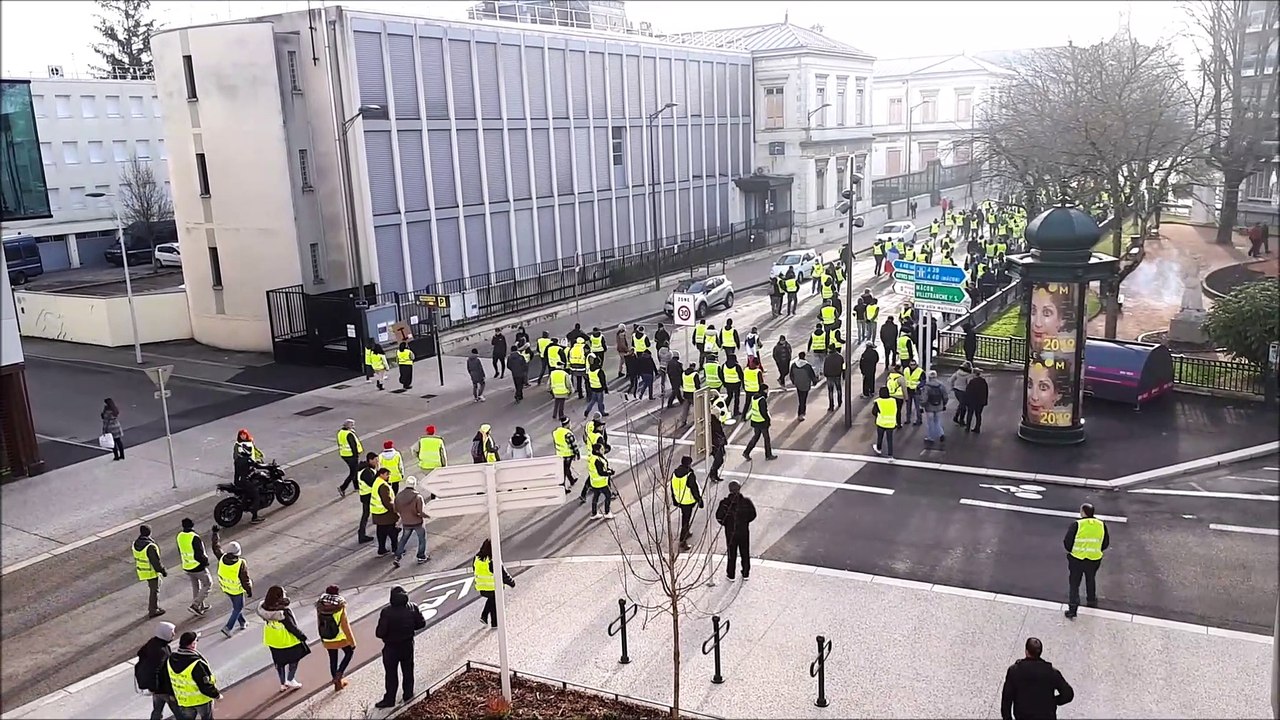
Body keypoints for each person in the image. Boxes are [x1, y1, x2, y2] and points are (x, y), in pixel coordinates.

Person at [374, 585, 427, 709]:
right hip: (407, 643)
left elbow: (380, 632)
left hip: (391, 647)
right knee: (408, 670)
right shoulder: (413, 607)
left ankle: (390, 699)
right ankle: (408, 695)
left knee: (391, 674)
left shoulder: (387, 612)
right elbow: (421, 623)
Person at [1000, 637, 1074, 720]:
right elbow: (1068, 694)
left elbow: (1006, 700)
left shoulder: (1014, 671)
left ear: (1026, 651)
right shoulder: (1051, 672)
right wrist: (1053, 701)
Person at [258, 585, 310, 691]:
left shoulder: (264, 608)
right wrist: (302, 636)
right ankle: (290, 679)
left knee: (279, 663)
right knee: (294, 660)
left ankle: (283, 683)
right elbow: (291, 627)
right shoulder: (283, 611)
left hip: (272, 639)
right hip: (286, 641)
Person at [1063, 503, 1109, 619]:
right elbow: (1105, 542)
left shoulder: (1077, 524)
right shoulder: (1101, 524)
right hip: (1094, 559)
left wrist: (1072, 551)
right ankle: (1091, 600)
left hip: (1077, 559)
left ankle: (1073, 609)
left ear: (1083, 512)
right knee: (1091, 579)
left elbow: (1068, 542)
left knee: (1074, 584)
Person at [167, 631, 219, 720]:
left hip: (184, 700)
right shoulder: (196, 663)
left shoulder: (171, 659)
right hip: (201, 700)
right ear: (192, 645)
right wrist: (216, 694)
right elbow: (204, 684)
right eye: (196, 641)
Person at [136, 621, 179, 720]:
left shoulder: (153, 643)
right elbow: (155, 670)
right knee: (178, 711)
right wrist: (156, 688)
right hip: (164, 688)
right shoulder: (161, 651)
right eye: (172, 632)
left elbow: (141, 654)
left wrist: (154, 689)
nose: (174, 634)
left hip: (157, 690)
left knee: (157, 710)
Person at [317, 585, 357, 691]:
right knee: (349, 653)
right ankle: (339, 673)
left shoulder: (320, 607)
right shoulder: (340, 607)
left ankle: (337, 683)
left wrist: (322, 637)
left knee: (332, 659)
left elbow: (319, 624)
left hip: (327, 638)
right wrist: (352, 641)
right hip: (340, 637)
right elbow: (345, 626)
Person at [716, 481, 757, 581]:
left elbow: (719, 517)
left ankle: (731, 574)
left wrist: (726, 524)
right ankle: (745, 573)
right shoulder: (746, 502)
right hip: (743, 531)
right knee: (745, 552)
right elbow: (753, 514)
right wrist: (745, 522)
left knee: (731, 553)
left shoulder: (725, 503)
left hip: (730, 532)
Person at [214, 537, 253, 637]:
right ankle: (228, 627)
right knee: (238, 608)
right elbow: (245, 580)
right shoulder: (241, 563)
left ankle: (242, 622)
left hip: (226, 588)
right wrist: (249, 591)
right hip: (236, 590)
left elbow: (216, 548)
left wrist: (215, 535)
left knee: (236, 607)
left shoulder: (222, 557)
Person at [473, 539, 517, 629]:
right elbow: (502, 574)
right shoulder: (492, 561)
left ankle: (484, 616)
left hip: (481, 586)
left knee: (491, 600)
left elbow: (475, 570)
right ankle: (494, 624)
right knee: (494, 603)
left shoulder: (476, 558)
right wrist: (511, 582)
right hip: (493, 587)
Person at [176, 518, 212, 617]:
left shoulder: (180, 536)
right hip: (197, 566)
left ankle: (200, 606)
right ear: (192, 525)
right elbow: (199, 554)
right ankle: (195, 605)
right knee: (208, 584)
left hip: (187, 565)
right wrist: (206, 562)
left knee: (196, 586)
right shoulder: (194, 537)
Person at [394, 476, 433, 566]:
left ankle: (397, 556)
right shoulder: (417, 497)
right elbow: (421, 512)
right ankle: (421, 556)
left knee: (404, 539)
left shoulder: (399, 496)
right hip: (417, 522)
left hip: (406, 522)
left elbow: (396, 509)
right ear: (414, 484)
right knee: (422, 539)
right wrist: (428, 516)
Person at [670, 455, 704, 551]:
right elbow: (694, 490)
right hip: (688, 501)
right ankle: (683, 541)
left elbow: (672, 488)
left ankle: (687, 532)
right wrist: (699, 500)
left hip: (679, 500)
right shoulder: (689, 475)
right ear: (689, 464)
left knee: (685, 518)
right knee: (685, 520)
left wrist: (674, 500)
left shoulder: (674, 473)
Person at [133, 525, 168, 618]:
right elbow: (155, 562)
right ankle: (153, 610)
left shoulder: (136, 543)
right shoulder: (150, 546)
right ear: (149, 533)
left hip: (142, 570)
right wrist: (163, 571)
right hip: (150, 572)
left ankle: (153, 608)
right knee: (154, 590)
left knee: (153, 590)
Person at [742, 386, 777, 461]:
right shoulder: (762, 400)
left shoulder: (754, 397)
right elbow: (763, 412)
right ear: (764, 390)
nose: (767, 391)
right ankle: (768, 455)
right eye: (767, 390)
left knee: (755, 437)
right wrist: (767, 420)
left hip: (755, 421)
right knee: (766, 439)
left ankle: (746, 452)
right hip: (762, 422)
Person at [586, 441, 615, 519]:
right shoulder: (597, 460)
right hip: (601, 482)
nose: (603, 450)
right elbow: (601, 472)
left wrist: (608, 469)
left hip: (594, 482)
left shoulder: (592, 457)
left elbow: (602, 468)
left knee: (596, 497)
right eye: (602, 449)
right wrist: (609, 473)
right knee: (608, 495)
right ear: (597, 451)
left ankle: (594, 513)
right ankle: (607, 512)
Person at [356, 452, 380, 543]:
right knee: (367, 514)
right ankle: (361, 535)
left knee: (366, 514)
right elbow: (372, 483)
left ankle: (361, 534)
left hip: (365, 495)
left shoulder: (365, 469)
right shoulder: (366, 471)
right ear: (370, 460)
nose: (377, 462)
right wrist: (378, 473)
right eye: (375, 460)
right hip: (368, 495)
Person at [336, 419, 363, 499]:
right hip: (351, 456)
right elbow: (353, 446)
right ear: (349, 426)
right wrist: (356, 455)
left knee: (354, 470)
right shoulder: (349, 434)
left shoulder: (340, 433)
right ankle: (342, 488)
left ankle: (356, 486)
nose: (353, 426)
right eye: (352, 425)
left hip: (344, 455)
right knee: (353, 472)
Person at [552, 417, 580, 492]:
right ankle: (562, 487)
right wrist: (577, 453)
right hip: (567, 454)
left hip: (560, 454)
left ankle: (571, 480)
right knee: (564, 470)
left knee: (565, 468)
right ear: (567, 424)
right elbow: (573, 445)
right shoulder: (568, 434)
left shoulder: (556, 432)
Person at [789, 351, 817, 420]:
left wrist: (794, 382)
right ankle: (802, 413)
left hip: (798, 384)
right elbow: (812, 375)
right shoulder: (807, 366)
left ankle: (800, 413)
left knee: (800, 398)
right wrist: (814, 382)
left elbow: (791, 375)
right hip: (806, 384)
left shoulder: (794, 365)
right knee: (803, 399)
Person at [921, 370, 948, 443]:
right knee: (937, 421)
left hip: (929, 407)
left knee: (930, 422)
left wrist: (922, 406)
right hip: (939, 406)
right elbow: (945, 396)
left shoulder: (927, 386)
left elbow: (924, 398)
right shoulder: (941, 385)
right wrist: (944, 404)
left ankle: (930, 437)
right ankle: (941, 433)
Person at [872, 386, 898, 458]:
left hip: (881, 422)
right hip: (891, 422)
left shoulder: (878, 401)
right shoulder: (893, 400)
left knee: (880, 437)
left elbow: (874, 412)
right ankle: (890, 455)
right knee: (890, 439)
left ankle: (879, 448)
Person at [964, 367, 989, 433]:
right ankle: (977, 428)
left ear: (974, 374)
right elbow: (986, 392)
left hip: (972, 401)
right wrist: (985, 401)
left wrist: (966, 401)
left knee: (970, 414)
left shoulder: (972, 382)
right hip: (980, 402)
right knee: (978, 415)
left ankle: (968, 427)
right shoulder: (983, 381)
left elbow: (968, 392)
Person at [823, 346, 844, 411]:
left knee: (830, 391)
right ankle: (839, 401)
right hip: (837, 375)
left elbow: (825, 366)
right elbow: (843, 366)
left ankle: (831, 405)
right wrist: (844, 374)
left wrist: (825, 374)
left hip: (829, 376)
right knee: (839, 389)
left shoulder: (827, 357)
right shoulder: (840, 357)